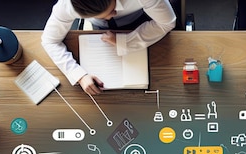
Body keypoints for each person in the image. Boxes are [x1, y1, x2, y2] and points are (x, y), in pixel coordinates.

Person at [42, 0, 176, 95]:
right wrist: (79, 75)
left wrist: (125, 42)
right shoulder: (66, 6)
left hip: (143, 17)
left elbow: (166, 23)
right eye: (101, 15)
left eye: (112, 9)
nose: (110, 16)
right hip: (99, 29)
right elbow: (49, 41)